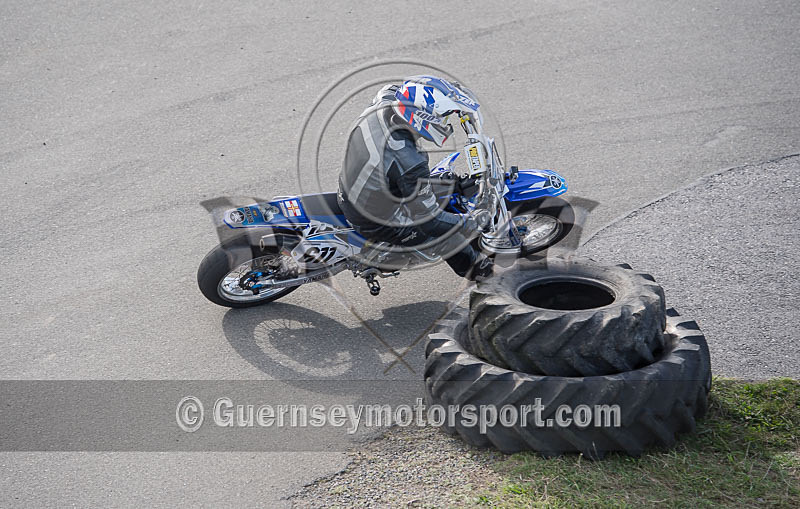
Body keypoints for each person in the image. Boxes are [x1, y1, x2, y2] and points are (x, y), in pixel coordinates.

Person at [337, 75, 494, 280]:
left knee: (446, 184)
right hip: (373, 218)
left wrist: (451, 95)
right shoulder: (408, 161)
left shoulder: (385, 101)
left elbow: (402, 87)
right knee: (444, 235)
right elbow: (430, 221)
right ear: (422, 118)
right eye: (442, 118)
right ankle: (482, 274)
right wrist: (471, 222)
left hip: (358, 185)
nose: (445, 123)